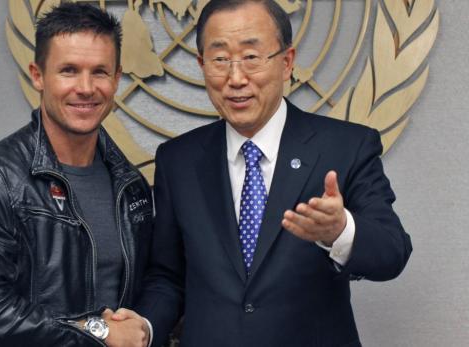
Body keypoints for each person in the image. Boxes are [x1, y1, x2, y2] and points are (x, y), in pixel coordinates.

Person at [128, 0, 413, 346]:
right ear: (203, 65)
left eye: (251, 57)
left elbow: (393, 251)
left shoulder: (346, 146)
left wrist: (341, 231)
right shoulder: (178, 159)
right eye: (220, 60)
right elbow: (168, 276)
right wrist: (146, 325)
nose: (236, 78)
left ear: (286, 62)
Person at [0, 3, 152, 346]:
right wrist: (97, 331)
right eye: (69, 70)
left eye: (99, 72)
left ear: (116, 79)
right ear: (37, 75)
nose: (86, 88)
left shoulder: (131, 185)